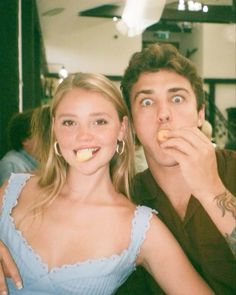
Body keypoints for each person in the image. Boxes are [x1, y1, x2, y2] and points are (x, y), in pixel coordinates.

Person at [0, 72, 214, 295]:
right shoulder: (14, 189)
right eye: (69, 122)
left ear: (121, 128)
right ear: (54, 128)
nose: (84, 136)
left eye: (99, 121)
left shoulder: (142, 229)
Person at [116, 43, 236, 295]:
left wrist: (211, 190)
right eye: (147, 102)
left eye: (177, 98)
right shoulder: (125, 198)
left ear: (200, 113)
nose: (164, 114)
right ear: (131, 123)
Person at [0, 109, 38, 186]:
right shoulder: (12, 165)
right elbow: (11, 198)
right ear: (25, 140)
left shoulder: (42, 161)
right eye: (43, 133)